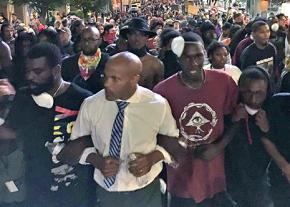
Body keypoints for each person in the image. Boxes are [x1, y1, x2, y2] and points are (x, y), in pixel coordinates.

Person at [66, 51, 179, 207]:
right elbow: (77, 146)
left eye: (115, 79)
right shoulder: (91, 104)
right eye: (105, 76)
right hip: (106, 192)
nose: (106, 83)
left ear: (134, 79)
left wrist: (152, 158)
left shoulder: (157, 105)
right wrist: (97, 160)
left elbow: (172, 143)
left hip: (146, 191)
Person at [0, 43, 93, 207]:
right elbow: (9, 130)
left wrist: (85, 141)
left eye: (37, 71)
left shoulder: (82, 99)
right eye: (27, 71)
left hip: (76, 191)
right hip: (36, 189)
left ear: (56, 70)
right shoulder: (24, 96)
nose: (30, 77)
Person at [153, 32, 238, 207]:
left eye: (198, 56)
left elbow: (235, 120)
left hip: (216, 172)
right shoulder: (162, 91)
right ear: (178, 59)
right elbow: (155, 132)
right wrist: (175, 146)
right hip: (181, 176)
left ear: (205, 56)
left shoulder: (224, 82)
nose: (193, 62)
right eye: (187, 57)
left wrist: (218, 146)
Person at [226, 66, 273, 207]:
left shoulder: (274, 110)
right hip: (235, 182)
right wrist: (233, 121)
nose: (253, 99)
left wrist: (267, 129)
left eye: (259, 93)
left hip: (266, 184)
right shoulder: (230, 109)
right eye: (247, 93)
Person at [120, 17, 164, 90]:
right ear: (128, 35)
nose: (137, 38)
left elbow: (159, 92)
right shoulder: (117, 61)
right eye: (133, 34)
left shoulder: (156, 64)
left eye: (142, 34)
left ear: (147, 37)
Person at [61, 26, 109, 93]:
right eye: (84, 39)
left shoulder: (109, 63)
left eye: (91, 39)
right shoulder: (67, 64)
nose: (86, 43)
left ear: (99, 41)